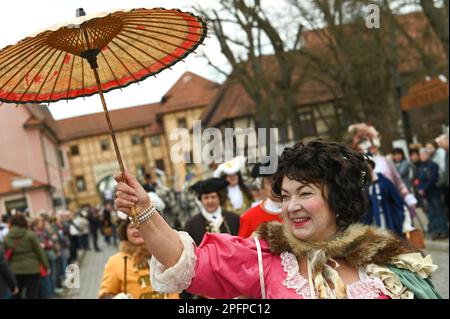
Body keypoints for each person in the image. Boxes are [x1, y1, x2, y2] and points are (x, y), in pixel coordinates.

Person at [114, 140, 441, 299]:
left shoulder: (386, 263)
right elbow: (189, 262)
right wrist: (144, 211)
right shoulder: (267, 257)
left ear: (338, 197)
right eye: (285, 195)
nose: (291, 206)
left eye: (305, 193)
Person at [98, 218, 179, 299]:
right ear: (125, 232)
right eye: (132, 227)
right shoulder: (115, 262)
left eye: (142, 226)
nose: (137, 230)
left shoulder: (164, 255)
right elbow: (105, 295)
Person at [4, 214, 49, 299]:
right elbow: (39, 251)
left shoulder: (7, 237)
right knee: (32, 294)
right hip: (32, 268)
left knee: (17, 294)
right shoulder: (30, 234)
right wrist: (46, 265)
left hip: (15, 269)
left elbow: (5, 254)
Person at [184, 178, 240, 246]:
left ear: (219, 198)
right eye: (206, 198)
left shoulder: (234, 219)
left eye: (213, 197)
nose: (210, 201)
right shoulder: (191, 225)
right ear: (201, 200)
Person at [238, 162, 283, 238]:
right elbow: (242, 247)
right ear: (262, 184)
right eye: (270, 182)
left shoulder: (297, 211)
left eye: (279, 181)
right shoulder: (249, 217)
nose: (275, 187)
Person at [417, 148, 449, 240]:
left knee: (439, 212)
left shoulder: (433, 165)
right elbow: (420, 179)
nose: (421, 157)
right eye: (420, 155)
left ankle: (444, 230)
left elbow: (433, 179)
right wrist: (419, 188)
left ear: (427, 155)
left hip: (434, 192)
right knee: (431, 213)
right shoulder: (421, 166)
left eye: (423, 155)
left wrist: (423, 188)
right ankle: (436, 231)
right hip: (426, 194)